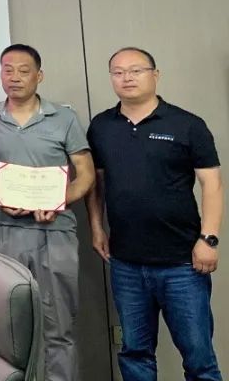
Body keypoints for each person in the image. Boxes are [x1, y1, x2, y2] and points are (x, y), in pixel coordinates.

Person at [87, 47, 222, 381]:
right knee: (135, 354)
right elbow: (96, 184)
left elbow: (212, 184)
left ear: (155, 75)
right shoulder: (101, 126)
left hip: (182, 263)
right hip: (126, 263)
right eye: (118, 72)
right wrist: (96, 227)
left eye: (136, 70)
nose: (127, 78)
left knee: (200, 359)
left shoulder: (187, 124)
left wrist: (209, 238)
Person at [0, 44, 95, 381]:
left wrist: (59, 200)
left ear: (39, 76)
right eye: (7, 69)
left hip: (54, 232)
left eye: (23, 70)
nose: (14, 77)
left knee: (58, 326)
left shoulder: (64, 118)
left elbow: (86, 173)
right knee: (4, 327)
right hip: (2, 230)